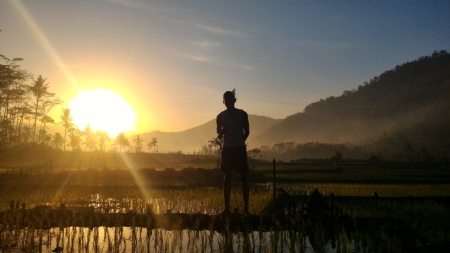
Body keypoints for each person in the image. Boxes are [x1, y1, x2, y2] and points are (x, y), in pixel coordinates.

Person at [216, 89, 250, 216]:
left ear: (234, 100)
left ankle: (246, 209)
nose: (229, 102)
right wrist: (222, 133)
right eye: (226, 100)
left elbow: (247, 131)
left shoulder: (242, 114)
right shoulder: (220, 116)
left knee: (244, 178)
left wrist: (240, 141)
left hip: (239, 148)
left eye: (231, 99)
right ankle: (226, 209)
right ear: (223, 101)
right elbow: (219, 135)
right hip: (228, 149)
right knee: (227, 178)